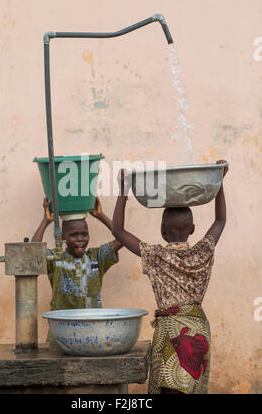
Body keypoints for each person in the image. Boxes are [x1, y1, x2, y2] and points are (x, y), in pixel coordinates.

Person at [112, 161, 228, 394]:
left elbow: (118, 231)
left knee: (169, 388)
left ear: (163, 231)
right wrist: (219, 181)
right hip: (198, 330)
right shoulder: (203, 252)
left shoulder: (156, 255)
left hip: (172, 332)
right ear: (193, 229)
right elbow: (220, 220)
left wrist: (124, 191)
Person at [32, 197, 122, 342]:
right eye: (74, 235)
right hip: (61, 335)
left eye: (84, 234)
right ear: (63, 237)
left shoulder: (97, 258)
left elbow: (122, 238)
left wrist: (100, 215)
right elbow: (32, 253)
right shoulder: (55, 259)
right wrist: (46, 221)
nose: (80, 239)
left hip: (93, 335)